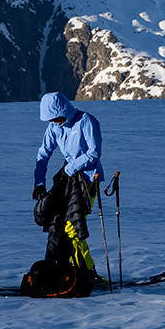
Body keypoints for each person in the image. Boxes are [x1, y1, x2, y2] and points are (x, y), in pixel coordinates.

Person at [24, 92, 104, 297]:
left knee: (73, 228)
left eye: (57, 118)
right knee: (58, 225)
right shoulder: (54, 127)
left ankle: (89, 272)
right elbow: (43, 154)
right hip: (67, 180)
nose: (55, 123)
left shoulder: (86, 121)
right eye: (51, 120)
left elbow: (94, 153)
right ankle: (68, 271)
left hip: (88, 180)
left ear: (64, 110)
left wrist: (70, 168)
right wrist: (39, 182)